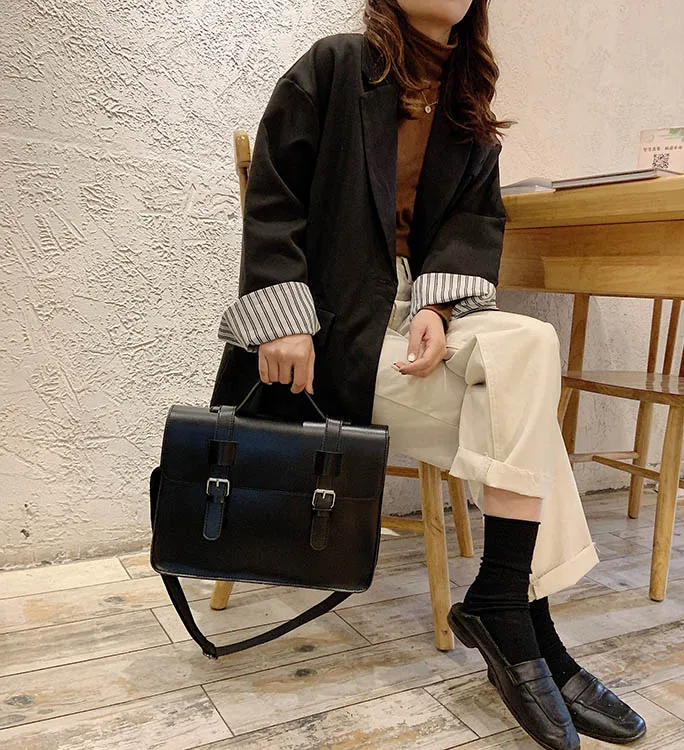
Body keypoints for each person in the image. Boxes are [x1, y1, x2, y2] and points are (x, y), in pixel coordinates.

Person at [210, 1, 647, 747]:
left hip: (418, 324)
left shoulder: (468, 110)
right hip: (335, 336)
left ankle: (505, 602)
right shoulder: (336, 67)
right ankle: (525, 627)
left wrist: (439, 309)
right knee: (527, 434)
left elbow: (472, 230)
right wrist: (283, 315)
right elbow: (275, 193)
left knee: (530, 343)